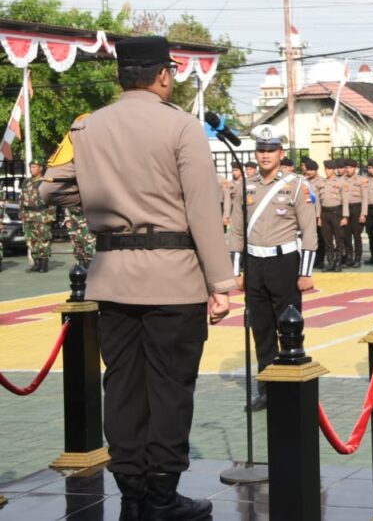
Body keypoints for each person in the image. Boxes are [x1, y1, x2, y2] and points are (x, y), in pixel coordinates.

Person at [40, 36, 235, 519]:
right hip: (174, 278)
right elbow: (203, 211)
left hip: (112, 277)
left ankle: (130, 492)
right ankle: (163, 495)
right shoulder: (183, 127)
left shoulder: (86, 127)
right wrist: (221, 284)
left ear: (120, 76)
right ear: (164, 75)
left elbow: (50, 187)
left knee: (123, 388)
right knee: (170, 388)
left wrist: (103, 200)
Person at [229, 128, 317, 411]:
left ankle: (291, 386)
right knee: (261, 329)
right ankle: (266, 390)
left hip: (285, 263)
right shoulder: (245, 185)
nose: (265, 155)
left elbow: (309, 231)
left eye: (271, 150)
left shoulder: (296, 185)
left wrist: (305, 273)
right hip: (254, 265)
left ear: (281, 153)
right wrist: (237, 270)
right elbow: (236, 231)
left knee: (288, 327)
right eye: (261, 150)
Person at [20, 158, 56, 273]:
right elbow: (22, 199)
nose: (32, 169)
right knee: (31, 240)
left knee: (43, 239)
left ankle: (44, 264)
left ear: (41, 168)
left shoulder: (45, 182)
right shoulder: (26, 182)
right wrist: (22, 213)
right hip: (29, 215)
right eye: (31, 167)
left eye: (34, 167)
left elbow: (51, 200)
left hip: (42, 214)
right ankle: (36, 263)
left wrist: (50, 216)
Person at [318, 159, 346, 271]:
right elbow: (319, 202)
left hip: (336, 212)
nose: (327, 171)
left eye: (329, 169)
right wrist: (318, 217)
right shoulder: (321, 183)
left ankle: (338, 262)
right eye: (326, 169)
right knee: (327, 240)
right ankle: (330, 262)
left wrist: (345, 216)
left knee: (339, 239)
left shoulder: (340, 182)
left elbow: (345, 200)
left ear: (334, 170)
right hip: (324, 213)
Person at [340, 158, 368, 268]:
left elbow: (365, 198)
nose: (348, 169)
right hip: (345, 210)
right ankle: (349, 258)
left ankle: (357, 259)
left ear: (355, 169)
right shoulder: (341, 180)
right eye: (346, 167)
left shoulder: (362, 180)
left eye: (351, 167)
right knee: (346, 236)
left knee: (357, 236)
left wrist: (363, 214)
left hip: (357, 209)